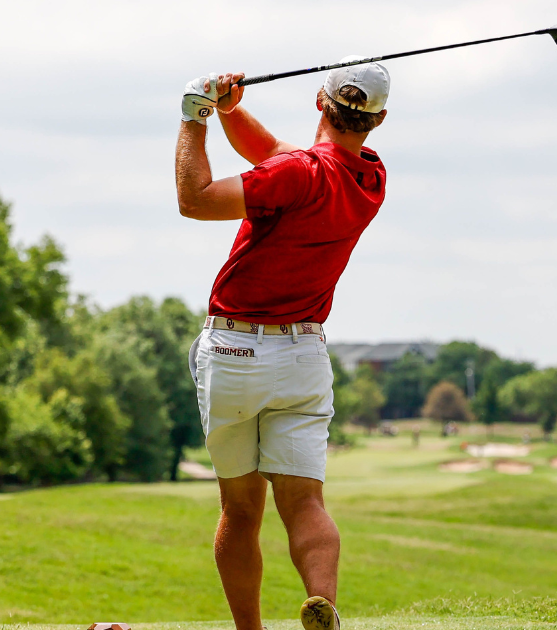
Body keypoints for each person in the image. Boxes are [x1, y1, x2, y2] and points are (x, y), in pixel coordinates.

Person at [174, 58, 390, 630]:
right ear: (378, 120)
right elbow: (272, 153)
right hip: (302, 359)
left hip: (235, 355)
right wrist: (230, 108)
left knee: (241, 510)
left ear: (319, 102)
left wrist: (195, 113)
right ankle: (323, 602)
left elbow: (195, 198)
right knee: (305, 504)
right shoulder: (370, 177)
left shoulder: (295, 172)